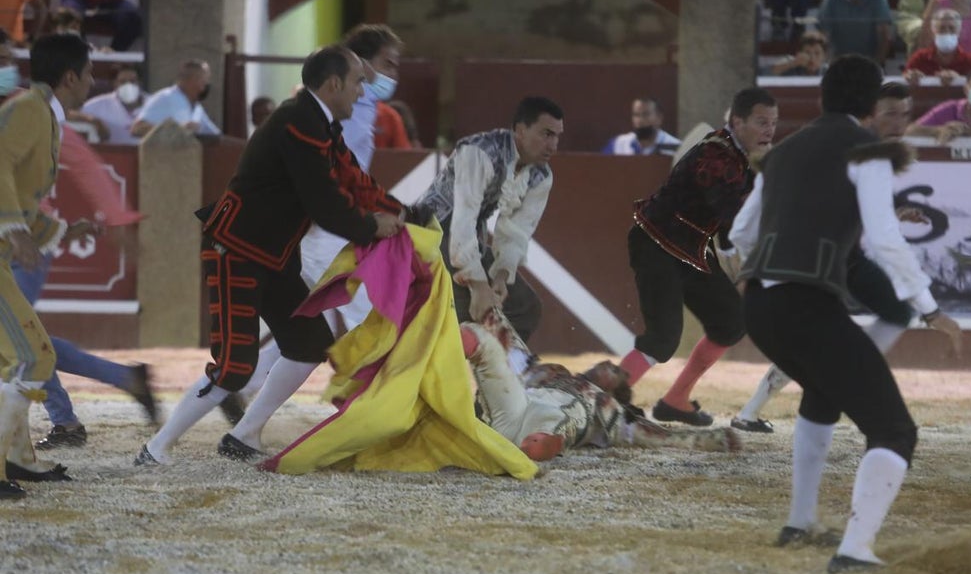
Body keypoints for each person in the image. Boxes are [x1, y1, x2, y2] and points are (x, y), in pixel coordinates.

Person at [738, 54, 962, 574]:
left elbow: (743, 232)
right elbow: (884, 239)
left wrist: (754, 268)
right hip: (807, 305)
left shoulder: (783, 151)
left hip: (760, 307)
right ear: (868, 104)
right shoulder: (869, 151)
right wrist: (930, 311)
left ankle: (800, 522)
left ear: (822, 97)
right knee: (894, 430)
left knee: (824, 392)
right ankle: (855, 550)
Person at [134, 45, 406, 466]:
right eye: (357, 82)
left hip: (272, 256)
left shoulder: (319, 123)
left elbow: (356, 182)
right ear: (333, 84)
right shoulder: (300, 123)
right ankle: (156, 449)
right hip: (236, 251)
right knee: (234, 365)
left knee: (309, 343)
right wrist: (372, 226)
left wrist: (407, 214)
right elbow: (324, 201)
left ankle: (245, 435)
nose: (362, 90)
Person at [732, 81, 960, 433]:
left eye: (905, 115)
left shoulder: (842, 148)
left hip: (830, 261)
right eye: (889, 114)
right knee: (837, 334)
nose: (899, 123)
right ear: (870, 113)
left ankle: (824, 380)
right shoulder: (862, 151)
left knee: (878, 318)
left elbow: (840, 207)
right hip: (824, 263)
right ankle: (844, 375)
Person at [615, 87, 778, 427]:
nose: (769, 131)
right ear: (737, 121)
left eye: (773, 123)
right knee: (663, 337)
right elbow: (732, 216)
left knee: (731, 321)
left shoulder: (735, 156)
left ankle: (676, 400)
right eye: (761, 122)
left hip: (690, 250)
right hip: (657, 244)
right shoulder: (717, 157)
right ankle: (603, 399)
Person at [0, 33, 102, 496]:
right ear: (70, 77)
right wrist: (14, 229)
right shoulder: (30, 110)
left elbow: (20, 198)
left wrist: (61, 231)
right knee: (32, 356)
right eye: (90, 74)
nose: (93, 82)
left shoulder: (42, 113)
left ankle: (19, 458)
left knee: (16, 360)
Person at [462, 309, 740, 461]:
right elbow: (508, 344)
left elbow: (659, 436)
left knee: (554, 421)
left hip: (542, 421)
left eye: (616, 373)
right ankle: (438, 344)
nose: (610, 366)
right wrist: (490, 309)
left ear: (614, 391)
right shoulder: (544, 371)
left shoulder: (610, 411)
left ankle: (532, 447)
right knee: (482, 343)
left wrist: (712, 439)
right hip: (508, 410)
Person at [411, 96, 563, 345]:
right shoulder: (479, 152)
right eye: (546, 134)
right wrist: (479, 286)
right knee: (465, 311)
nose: (553, 144)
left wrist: (501, 276)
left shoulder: (541, 175)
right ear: (521, 130)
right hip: (428, 235)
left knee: (524, 308)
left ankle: (494, 383)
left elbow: (515, 231)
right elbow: (462, 220)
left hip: (466, 240)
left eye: (557, 136)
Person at [905, 67, 971, 143]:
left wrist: (963, 131)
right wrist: (939, 130)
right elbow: (910, 131)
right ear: (966, 89)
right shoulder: (950, 107)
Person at [130, 59, 221, 138]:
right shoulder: (166, 98)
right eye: (203, 80)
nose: (206, 85)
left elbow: (215, 135)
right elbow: (137, 129)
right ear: (191, 80)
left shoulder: (197, 108)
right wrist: (176, 130)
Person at [904, 9, 971, 86]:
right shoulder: (920, 58)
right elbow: (905, 79)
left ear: (959, 33)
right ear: (933, 32)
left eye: (952, 28)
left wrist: (959, 80)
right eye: (941, 28)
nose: (947, 32)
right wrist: (912, 77)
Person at [75, 63, 147, 144]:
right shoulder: (98, 105)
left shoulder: (153, 102)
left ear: (140, 82)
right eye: (122, 82)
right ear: (114, 83)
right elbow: (68, 114)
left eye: (132, 81)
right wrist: (93, 120)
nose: (128, 85)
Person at [817, 0, 893, 64]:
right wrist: (829, 65)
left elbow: (884, 36)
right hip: (838, 62)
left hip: (870, 63)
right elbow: (824, 37)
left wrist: (877, 64)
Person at [59, 0, 143, 52]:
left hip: (110, 0)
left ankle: (113, 53)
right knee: (67, 15)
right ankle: (81, 51)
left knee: (132, 16)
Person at [601, 97, 681, 155]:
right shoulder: (618, 144)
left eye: (646, 114)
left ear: (659, 118)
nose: (640, 120)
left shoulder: (676, 148)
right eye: (636, 115)